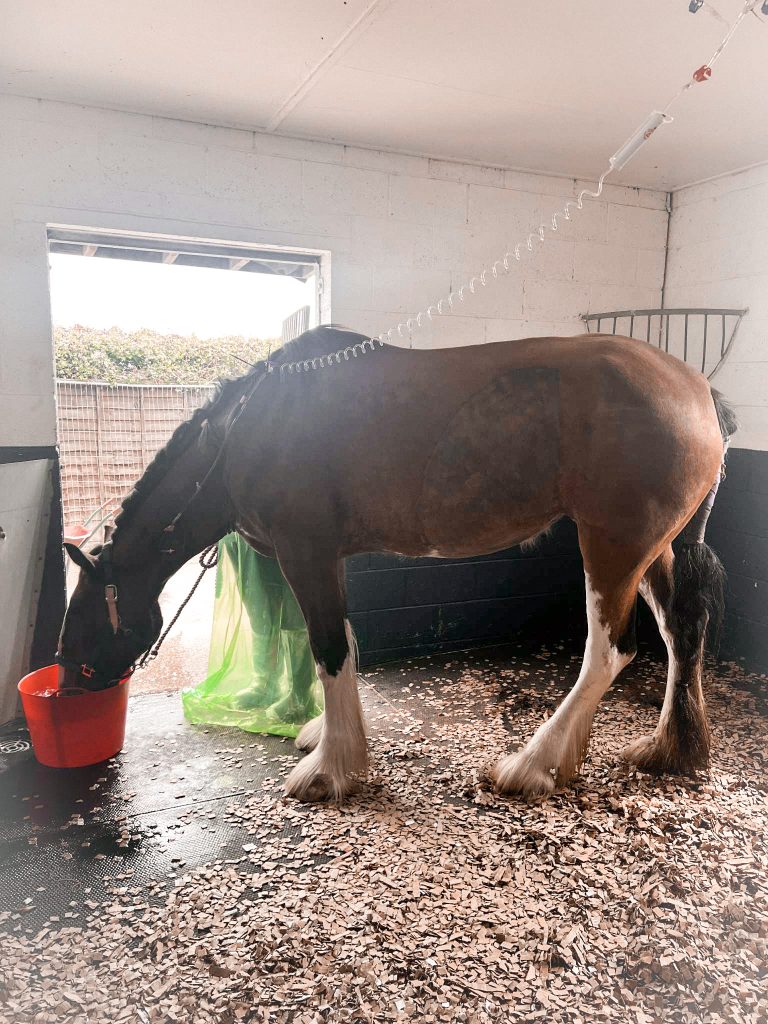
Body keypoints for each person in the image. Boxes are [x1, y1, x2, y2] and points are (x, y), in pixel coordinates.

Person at [182, 533, 323, 737]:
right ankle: (265, 682)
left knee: (294, 606)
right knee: (258, 608)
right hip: (239, 528)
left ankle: (300, 694)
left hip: (281, 523)